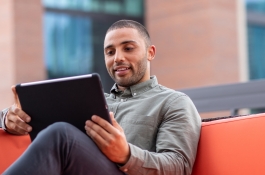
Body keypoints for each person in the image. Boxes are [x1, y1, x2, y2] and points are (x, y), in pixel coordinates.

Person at [0, 20, 201, 175]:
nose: (118, 58)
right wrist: (8, 119)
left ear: (150, 53)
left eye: (128, 48)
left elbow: (179, 166)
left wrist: (127, 155)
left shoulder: (174, 102)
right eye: (110, 52)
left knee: (61, 134)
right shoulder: (90, 100)